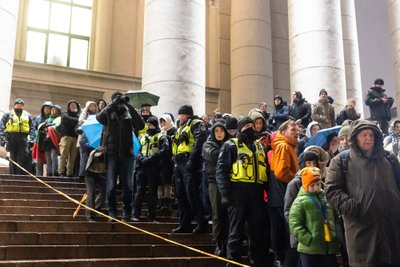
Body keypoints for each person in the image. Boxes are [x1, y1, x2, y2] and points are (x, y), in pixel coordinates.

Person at [326, 119, 400, 267]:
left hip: (391, 229)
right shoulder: (341, 161)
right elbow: (332, 190)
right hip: (361, 231)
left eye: (372, 135)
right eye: (364, 134)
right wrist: (354, 208)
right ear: (355, 137)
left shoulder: (388, 158)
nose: (369, 138)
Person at [216, 117, 269, 266]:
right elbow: (221, 171)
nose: (251, 128)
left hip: (256, 194)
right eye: (246, 126)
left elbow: (264, 171)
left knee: (256, 232)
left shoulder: (259, 147)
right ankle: (233, 263)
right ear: (240, 129)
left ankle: (256, 262)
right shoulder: (230, 145)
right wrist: (225, 194)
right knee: (235, 232)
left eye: (252, 125)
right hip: (237, 193)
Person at [96, 91, 145, 221]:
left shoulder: (128, 113)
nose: (119, 103)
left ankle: (127, 212)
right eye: (117, 100)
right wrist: (112, 105)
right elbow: (99, 118)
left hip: (127, 154)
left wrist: (129, 106)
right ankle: (112, 212)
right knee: (111, 185)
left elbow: (140, 125)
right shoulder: (108, 112)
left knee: (128, 186)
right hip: (111, 154)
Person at [289, 167, 339, 267]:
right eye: (312, 185)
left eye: (318, 184)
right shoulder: (299, 202)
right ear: (305, 185)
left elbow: (334, 217)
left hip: (328, 247)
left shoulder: (325, 198)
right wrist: (308, 239)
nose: (316, 187)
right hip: (310, 249)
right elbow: (295, 224)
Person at [171, 104, 208, 233]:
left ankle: (201, 222)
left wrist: (192, 161)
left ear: (186, 114)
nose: (179, 117)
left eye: (181, 114)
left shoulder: (196, 124)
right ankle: (184, 223)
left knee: (192, 194)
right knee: (181, 195)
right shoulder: (181, 127)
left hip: (189, 162)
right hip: (179, 163)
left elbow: (199, 142)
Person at [269, 119, 300, 266]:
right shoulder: (284, 146)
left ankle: (280, 259)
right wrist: (298, 179)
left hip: (278, 195)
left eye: (297, 129)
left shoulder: (286, 146)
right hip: (283, 194)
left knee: (279, 229)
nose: (297, 131)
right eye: (292, 129)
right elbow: (281, 173)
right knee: (287, 231)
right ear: (283, 132)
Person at [202, 121, 230, 256]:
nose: (219, 133)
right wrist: (228, 150)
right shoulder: (208, 144)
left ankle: (228, 241)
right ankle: (218, 242)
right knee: (217, 213)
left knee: (229, 214)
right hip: (214, 182)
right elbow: (212, 155)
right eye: (216, 131)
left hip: (230, 182)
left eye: (221, 130)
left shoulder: (230, 143)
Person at [133, 116, 169, 222]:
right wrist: (141, 159)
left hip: (154, 168)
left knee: (153, 193)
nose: (149, 126)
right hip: (142, 168)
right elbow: (137, 150)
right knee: (139, 191)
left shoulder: (161, 137)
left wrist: (150, 159)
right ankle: (136, 215)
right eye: (147, 124)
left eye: (151, 124)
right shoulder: (142, 137)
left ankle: (152, 216)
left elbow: (164, 150)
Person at [0, 98, 36, 174]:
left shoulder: (28, 115)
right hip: (11, 138)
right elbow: (2, 125)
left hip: (23, 138)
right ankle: (12, 174)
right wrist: (2, 137)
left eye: (21, 105)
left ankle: (20, 174)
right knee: (12, 157)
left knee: (22, 157)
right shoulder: (8, 114)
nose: (19, 106)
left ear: (23, 106)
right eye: (17, 104)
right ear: (14, 105)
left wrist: (32, 139)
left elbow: (32, 127)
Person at [35, 105, 62, 176]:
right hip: (46, 140)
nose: (53, 111)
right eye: (52, 109)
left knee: (53, 156)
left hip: (53, 140)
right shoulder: (48, 119)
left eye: (54, 110)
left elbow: (58, 126)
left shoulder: (59, 118)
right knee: (47, 158)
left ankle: (54, 171)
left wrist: (50, 126)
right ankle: (49, 172)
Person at [157, 113, 177, 213]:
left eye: (164, 121)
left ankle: (167, 202)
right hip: (160, 161)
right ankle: (160, 202)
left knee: (167, 181)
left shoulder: (174, 130)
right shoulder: (160, 132)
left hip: (169, 160)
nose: (162, 123)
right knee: (159, 181)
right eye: (161, 122)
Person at [58, 100, 81, 177]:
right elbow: (67, 119)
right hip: (66, 136)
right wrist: (78, 121)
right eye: (71, 105)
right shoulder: (64, 114)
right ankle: (61, 171)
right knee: (64, 154)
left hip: (75, 137)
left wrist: (78, 120)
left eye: (75, 105)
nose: (73, 106)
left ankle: (69, 173)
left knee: (73, 157)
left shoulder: (78, 115)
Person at [33, 100, 53, 176]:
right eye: (45, 108)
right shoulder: (38, 118)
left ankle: (49, 177)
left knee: (49, 162)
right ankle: (39, 176)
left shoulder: (54, 118)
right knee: (39, 162)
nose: (46, 110)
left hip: (49, 143)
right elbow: (34, 129)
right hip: (39, 142)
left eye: (48, 108)